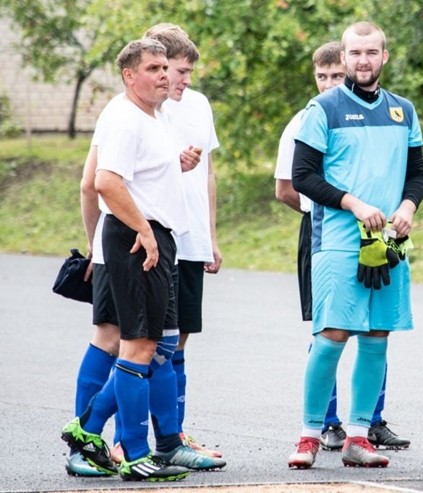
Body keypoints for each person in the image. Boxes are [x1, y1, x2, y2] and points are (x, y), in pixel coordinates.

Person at [287, 21, 423, 469]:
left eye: (371, 52)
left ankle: (359, 436)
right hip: (338, 241)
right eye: (355, 53)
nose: (363, 60)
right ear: (343, 58)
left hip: (386, 242)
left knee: (376, 337)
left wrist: (408, 206)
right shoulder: (322, 109)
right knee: (331, 337)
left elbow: (417, 174)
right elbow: (303, 176)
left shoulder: (403, 111)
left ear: (384, 56)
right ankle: (310, 434)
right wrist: (352, 203)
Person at [60, 38, 194, 482]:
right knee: (137, 344)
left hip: (146, 237)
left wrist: (176, 166)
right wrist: (142, 231)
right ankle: (132, 452)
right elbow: (103, 182)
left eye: (165, 67)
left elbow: (139, 177)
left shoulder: (151, 116)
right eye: (153, 67)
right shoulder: (124, 119)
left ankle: (89, 430)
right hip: (136, 239)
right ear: (129, 75)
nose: (163, 74)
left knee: (148, 344)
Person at [143, 22, 224, 461]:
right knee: (150, 341)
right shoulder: (145, 110)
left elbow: (208, 171)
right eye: (179, 70)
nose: (184, 80)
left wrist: (211, 235)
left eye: (189, 72)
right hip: (158, 236)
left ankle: (173, 437)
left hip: (192, 237)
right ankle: (128, 437)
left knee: (181, 339)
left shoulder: (199, 105)